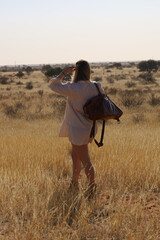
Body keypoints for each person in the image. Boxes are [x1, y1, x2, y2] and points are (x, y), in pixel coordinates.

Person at [48, 60, 105, 196]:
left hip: (77, 130)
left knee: (86, 160)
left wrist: (63, 73)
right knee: (75, 155)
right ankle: (74, 184)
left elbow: (52, 85)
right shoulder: (96, 86)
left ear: (76, 72)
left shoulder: (73, 88)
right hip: (90, 128)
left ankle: (92, 188)